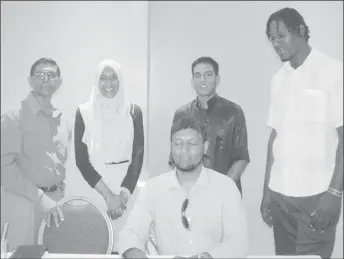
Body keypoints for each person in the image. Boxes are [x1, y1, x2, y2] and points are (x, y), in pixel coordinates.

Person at [261, 7, 343, 259]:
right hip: (280, 196)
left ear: (300, 31)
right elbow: (275, 137)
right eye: (271, 38)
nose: (275, 43)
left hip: (316, 197)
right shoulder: (278, 79)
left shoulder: (333, 71)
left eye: (280, 35)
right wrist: (266, 192)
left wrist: (335, 193)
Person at [118, 117, 248, 258]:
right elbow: (130, 235)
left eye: (191, 144)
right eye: (178, 144)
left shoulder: (226, 187)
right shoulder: (153, 189)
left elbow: (238, 242)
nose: (183, 150)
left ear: (205, 147)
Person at [74, 59, 144, 253]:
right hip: (95, 188)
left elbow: (138, 155)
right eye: (103, 78)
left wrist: (122, 195)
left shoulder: (133, 111)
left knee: (127, 247)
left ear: (120, 80)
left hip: (127, 192)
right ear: (96, 81)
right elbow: (81, 160)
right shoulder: (84, 112)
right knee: (95, 247)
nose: (109, 84)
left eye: (114, 78)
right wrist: (108, 196)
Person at [1, 57, 71, 251]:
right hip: (23, 204)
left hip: (54, 203)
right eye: (40, 75)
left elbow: (57, 162)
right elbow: (5, 170)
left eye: (51, 75)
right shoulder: (13, 117)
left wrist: (57, 190)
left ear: (59, 81)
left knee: (52, 253)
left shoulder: (63, 119)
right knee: (24, 254)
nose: (46, 79)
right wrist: (42, 198)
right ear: (30, 81)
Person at [172, 57, 250, 195]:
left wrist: (220, 190)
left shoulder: (234, 112)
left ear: (217, 79)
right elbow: (175, 157)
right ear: (192, 81)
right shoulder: (181, 114)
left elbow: (241, 158)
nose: (203, 80)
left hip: (226, 194)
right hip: (190, 194)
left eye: (208, 75)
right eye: (198, 75)